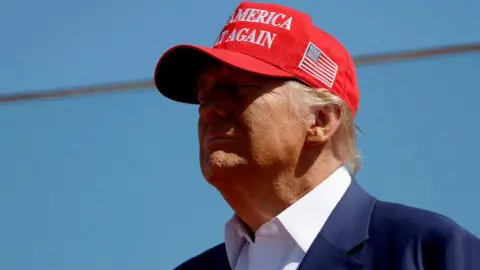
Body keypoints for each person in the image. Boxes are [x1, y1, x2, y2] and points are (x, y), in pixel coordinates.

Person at [153, 2, 480, 269]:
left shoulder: (429, 253)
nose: (208, 110)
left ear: (321, 119)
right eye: (204, 95)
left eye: (239, 88)